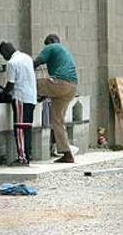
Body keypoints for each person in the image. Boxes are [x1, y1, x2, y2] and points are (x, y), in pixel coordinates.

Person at [34, 34, 77, 163]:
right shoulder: (64, 51)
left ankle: (32, 99)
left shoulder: (52, 46)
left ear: (51, 41)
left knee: (32, 84)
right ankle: (67, 153)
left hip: (61, 83)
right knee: (57, 120)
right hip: (72, 87)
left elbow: (36, 63)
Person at [0, 42, 37, 166]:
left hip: (20, 97)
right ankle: (28, 154)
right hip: (31, 97)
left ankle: (22, 158)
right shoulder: (27, 58)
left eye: (3, 55)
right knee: (27, 128)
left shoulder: (12, 63)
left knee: (20, 129)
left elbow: (11, 84)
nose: (4, 58)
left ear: (5, 52)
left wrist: (2, 94)